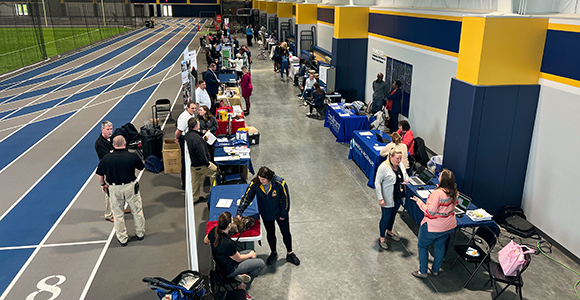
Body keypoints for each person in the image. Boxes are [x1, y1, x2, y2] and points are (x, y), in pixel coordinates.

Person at [237, 166, 301, 266]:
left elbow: (286, 200)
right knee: (270, 233)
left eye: (263, 179)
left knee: (286, 233)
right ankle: (273, 252)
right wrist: (239, 212)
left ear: (269, 178)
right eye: (259, 179)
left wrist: (283, 214)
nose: (261, 181)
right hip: (266, 214)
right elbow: (247, 197)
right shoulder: (255, 184)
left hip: (280, 213)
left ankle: (290, 253)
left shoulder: (279, 183)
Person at [96, 135, 145, 246]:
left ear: (113, 145)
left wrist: (103, 184)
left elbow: (99, 174)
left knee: (118, 215)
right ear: (125, 143)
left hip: (114, 188)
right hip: (130, 187)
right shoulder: (132, 156)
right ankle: (140, 233)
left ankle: (122, 238)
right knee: (137, 211)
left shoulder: (107, 158)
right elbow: (141, 167)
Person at [204, 212, 265, 300]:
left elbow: (205, 241)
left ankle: (240, 275)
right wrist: (249, 255)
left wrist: (212, 235)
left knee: (251, 253)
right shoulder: (228, 243)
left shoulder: (214, 230)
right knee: (260, 263)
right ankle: (242, 286)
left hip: (220, 264)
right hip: (230, 269)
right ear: (229, 225)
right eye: (232, 220)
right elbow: (238, 259)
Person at [410, 169, 458, 278]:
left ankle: (423, 271)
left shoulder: (437, 194)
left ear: (443, 179)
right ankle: (435, 270)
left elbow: (430, 212)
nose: (439, 175)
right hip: (447, 226)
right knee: (440, 247)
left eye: (440, 175)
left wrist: (419, 203)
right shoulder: (454, 191)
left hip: (433, 226)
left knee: (422, 246)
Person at [374, 147, 409, 250]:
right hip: (387, 197)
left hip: (397, 196)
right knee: (386, 217)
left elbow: (405, 174)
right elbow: (377, 183)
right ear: (391, 157)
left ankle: (389, 231)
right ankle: (382, 237)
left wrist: (406, 180)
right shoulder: (383, 167)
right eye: (397, 158)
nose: (399, 160)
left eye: (400, 158)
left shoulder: (400, 164)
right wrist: (380, 198)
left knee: (393, 215)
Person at [185, 118, 217, 202]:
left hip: (193, 164)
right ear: (196, 126)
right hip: (201, 164)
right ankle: (212, 194)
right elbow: (201, 153)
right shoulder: (197, 140)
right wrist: (207, 164)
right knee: (215, 171)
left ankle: (194, 198)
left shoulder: (187, 135)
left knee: (194, 182)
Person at [94, 121, 115, 222]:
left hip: (116, 168)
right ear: (102, 130)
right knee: (109, 192)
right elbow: (107, 157)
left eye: (111, 129)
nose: (110, 131)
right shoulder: (99, 143)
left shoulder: (113, 138)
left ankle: (120, 208)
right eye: (108, 129)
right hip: (108, 170)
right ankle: (108, 214)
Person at [175, 102, 198, 189]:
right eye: (192, 108)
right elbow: (178, 131)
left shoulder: (190, 115)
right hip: (184, 139)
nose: (194, 110)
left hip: (188, 137)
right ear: (187, 108)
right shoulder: (184, 118)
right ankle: (185, 184)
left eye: (195, 108)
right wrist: (177, 138)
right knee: (185, 161)